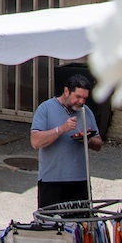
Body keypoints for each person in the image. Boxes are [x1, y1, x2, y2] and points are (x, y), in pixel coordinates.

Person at [31, 70, 103, 209]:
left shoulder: (86, 111)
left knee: (82, 226)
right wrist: (61, 129)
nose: (81, 101)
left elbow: (99, 144)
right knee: (52, 228)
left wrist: (88, 140)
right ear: (66, 91)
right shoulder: (45, 108)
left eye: (85, 98)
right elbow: (35, 141)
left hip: (80, 180)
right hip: (52, 181)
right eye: (78, 97)